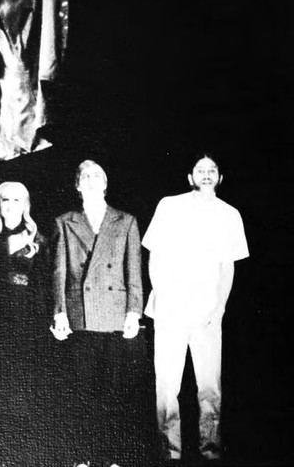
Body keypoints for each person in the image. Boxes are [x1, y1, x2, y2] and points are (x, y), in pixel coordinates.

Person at [143, 153, 249, 465]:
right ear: (190, 177)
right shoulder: (169, 205)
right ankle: (169, 452)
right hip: (170, 311)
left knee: (210, 388)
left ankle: (210, 451)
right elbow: (155, 256)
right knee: (167, 388)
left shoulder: (230, 215)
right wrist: (163, 296)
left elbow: (227, 266)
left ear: (220, 177)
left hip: (207, 313)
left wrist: (219, 308)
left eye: (211, 170)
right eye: (200, 170)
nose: (206, 174)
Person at [51, 160, 150, 467]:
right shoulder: (64, 221)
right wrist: (60, 312)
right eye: (85, 177)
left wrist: (134, 311)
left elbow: (134, 269)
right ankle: (82, 457)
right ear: (77, 185)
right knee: (81, 392)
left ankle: (111, 458)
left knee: (114, 392)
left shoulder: (126, 221)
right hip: (80, 315)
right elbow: (59, 270)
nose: (92, 181)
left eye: (97, 176)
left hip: (115, 316)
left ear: (105, 184)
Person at [0, 182, 52, 466]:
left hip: (28, 323)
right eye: (6, 199)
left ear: (25, 205)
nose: (11, 205)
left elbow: (45, 286)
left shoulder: (38, 240)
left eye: (17, 200)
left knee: (24, 390)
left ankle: (23, 456)